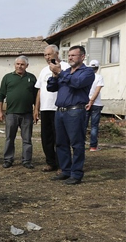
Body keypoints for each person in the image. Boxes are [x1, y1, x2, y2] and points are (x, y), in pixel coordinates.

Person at [47, 45, 95, 185]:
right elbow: (51, 88)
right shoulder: (66, 72)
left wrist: (60, 73)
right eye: (69, 55)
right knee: (61, 143)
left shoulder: (87, 72)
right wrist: (54, 75)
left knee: (77, 144)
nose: (70, 58)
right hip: (60, 111)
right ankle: (66, 171)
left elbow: (77, 83)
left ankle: (76, 173)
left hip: (75, 111)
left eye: (74, 55)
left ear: (82, 57)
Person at [0, 55, 38, 169]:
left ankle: (27, 161)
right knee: (9, 138)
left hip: (27, 114)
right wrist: (0, 111)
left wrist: (36, 111)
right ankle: (8, 160)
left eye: (22, 64)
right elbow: (1, 95)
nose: (20, 66)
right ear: (14, 65)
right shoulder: (7, 77)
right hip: (11, 114)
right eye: (18, 64)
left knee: (27, 139)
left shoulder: (32, 78)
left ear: (27, 66)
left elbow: (36, 97)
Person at [34, 45, 70, 172]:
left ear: (57, 54)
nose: (47, 57)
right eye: (45, 55)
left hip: (59, 108)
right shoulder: (44, 70)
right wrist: (36, 109)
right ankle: (51, 162)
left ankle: (62, 164)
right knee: (46, 137)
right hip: (45, 108)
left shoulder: (65, 67)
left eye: (49, 54)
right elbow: (39, 90)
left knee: (60, 138)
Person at [86, 60, 104, 152]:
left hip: (85, 103)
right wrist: (92, 101)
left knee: (83, 125)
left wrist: (88, 102)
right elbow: (97, 91)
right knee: (94, 126)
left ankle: (80, 144)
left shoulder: (86, 76)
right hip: (96, 104)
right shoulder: (99, 77)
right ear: (97, 68)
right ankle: (93, 146)